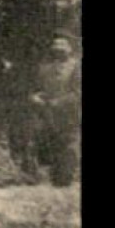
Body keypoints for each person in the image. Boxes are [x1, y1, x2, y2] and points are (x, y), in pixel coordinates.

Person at [30, 29, 81, 186]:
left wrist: (59, 102)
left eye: (63, 48)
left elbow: (78, 91)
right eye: (56, 49)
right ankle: (52, 177)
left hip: (69, 114)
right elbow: (36, 88)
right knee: (49, 144)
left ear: (69, 49)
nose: (59, 52)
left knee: (69, 146)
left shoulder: (75, 67)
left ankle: (66, 178)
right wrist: (35, 97)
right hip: (47, 114)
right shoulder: (44, 68)